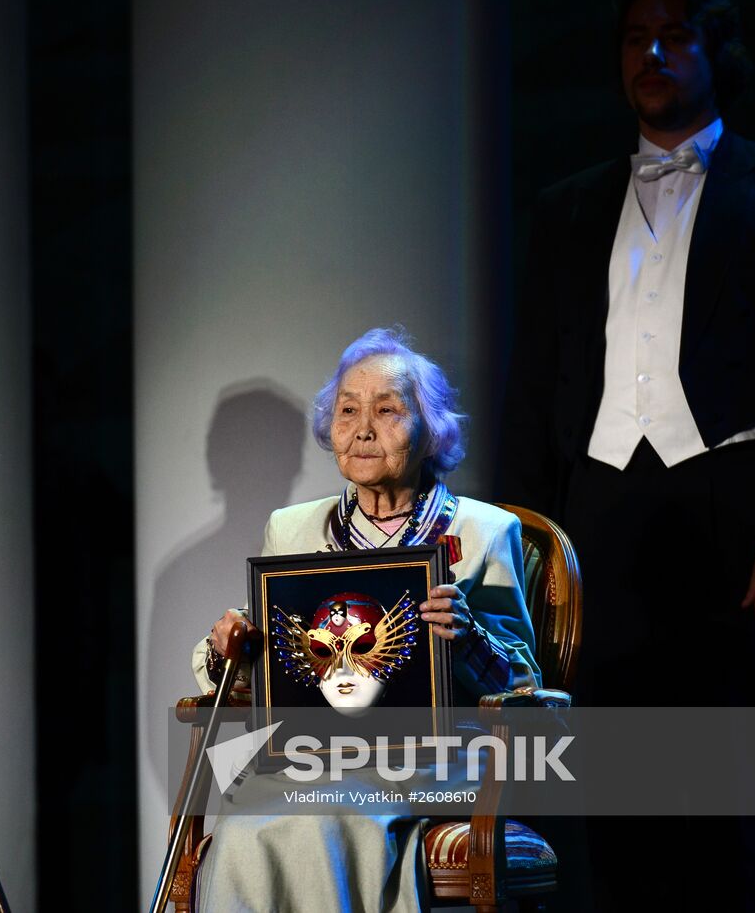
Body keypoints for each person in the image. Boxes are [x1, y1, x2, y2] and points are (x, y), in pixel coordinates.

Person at [497, 0, 755, 907]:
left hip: (732, 504)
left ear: (716, 53)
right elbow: (535, 379)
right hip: (601, 507)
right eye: (636, 39)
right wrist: (519, 535)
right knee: (616, 781)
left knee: (739, 783)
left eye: (675, 37)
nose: (653, 56)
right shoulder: (568, 205)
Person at [192, 327, 541, 911]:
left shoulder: (483, 531)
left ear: (432, 431)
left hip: (428, 756)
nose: (363, 429)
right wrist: (236, 648)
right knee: (246, 825)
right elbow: (276, 673)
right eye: (348, 410)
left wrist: (468, 638)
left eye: (388, 410)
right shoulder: (292, 527)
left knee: (325, 812)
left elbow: (526, 683)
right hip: (307, 753)